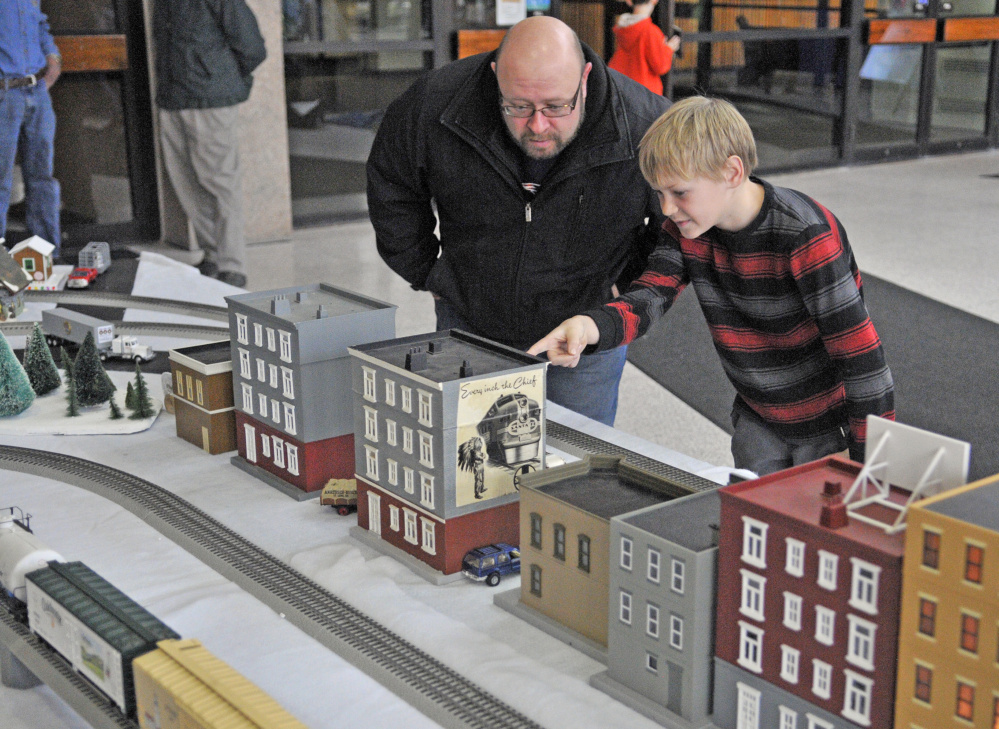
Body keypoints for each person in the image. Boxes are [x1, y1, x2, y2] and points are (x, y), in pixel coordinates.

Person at [528, 97, 895, 475]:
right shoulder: (686, 229)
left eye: (680, 192)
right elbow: (650, 296)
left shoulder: (804, 235)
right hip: (757, 419)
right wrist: (589, 327)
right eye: (658, 194)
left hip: (828, 429)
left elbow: (862, 358)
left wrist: (869, 464)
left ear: (732, 173)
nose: (667, 209)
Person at [366, 16, 670, 426]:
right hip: (470, 320)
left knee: (572, 470)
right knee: (472, 464)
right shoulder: (434, 104)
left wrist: (621, 286)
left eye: (556, 107)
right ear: (495, 77)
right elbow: (392, 184)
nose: (538, 125)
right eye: (518, 106)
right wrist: (429, 271)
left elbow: (676, 225)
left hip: (583, 335)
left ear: (585, 77)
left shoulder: (644, 124)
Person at [153, 0, 266, 289]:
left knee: (220, 183)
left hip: (210, 100)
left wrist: (219, 77)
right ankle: (212, 254)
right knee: (186, 182)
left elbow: (252, 46)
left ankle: (232, 263)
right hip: (173, 99)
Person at [0, 0, 63, 257]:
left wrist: (53, 58)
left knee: (42, 178)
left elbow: (39, 25)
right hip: (5, 95)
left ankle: (48, 256)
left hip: (37, 91)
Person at [608, 0, 681, 96]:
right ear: (653, 1)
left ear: (629, 2)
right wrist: (669, 49)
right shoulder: (650, 31)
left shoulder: (622, 27)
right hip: (644, 92)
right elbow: (660, 66)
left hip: (620, 86)